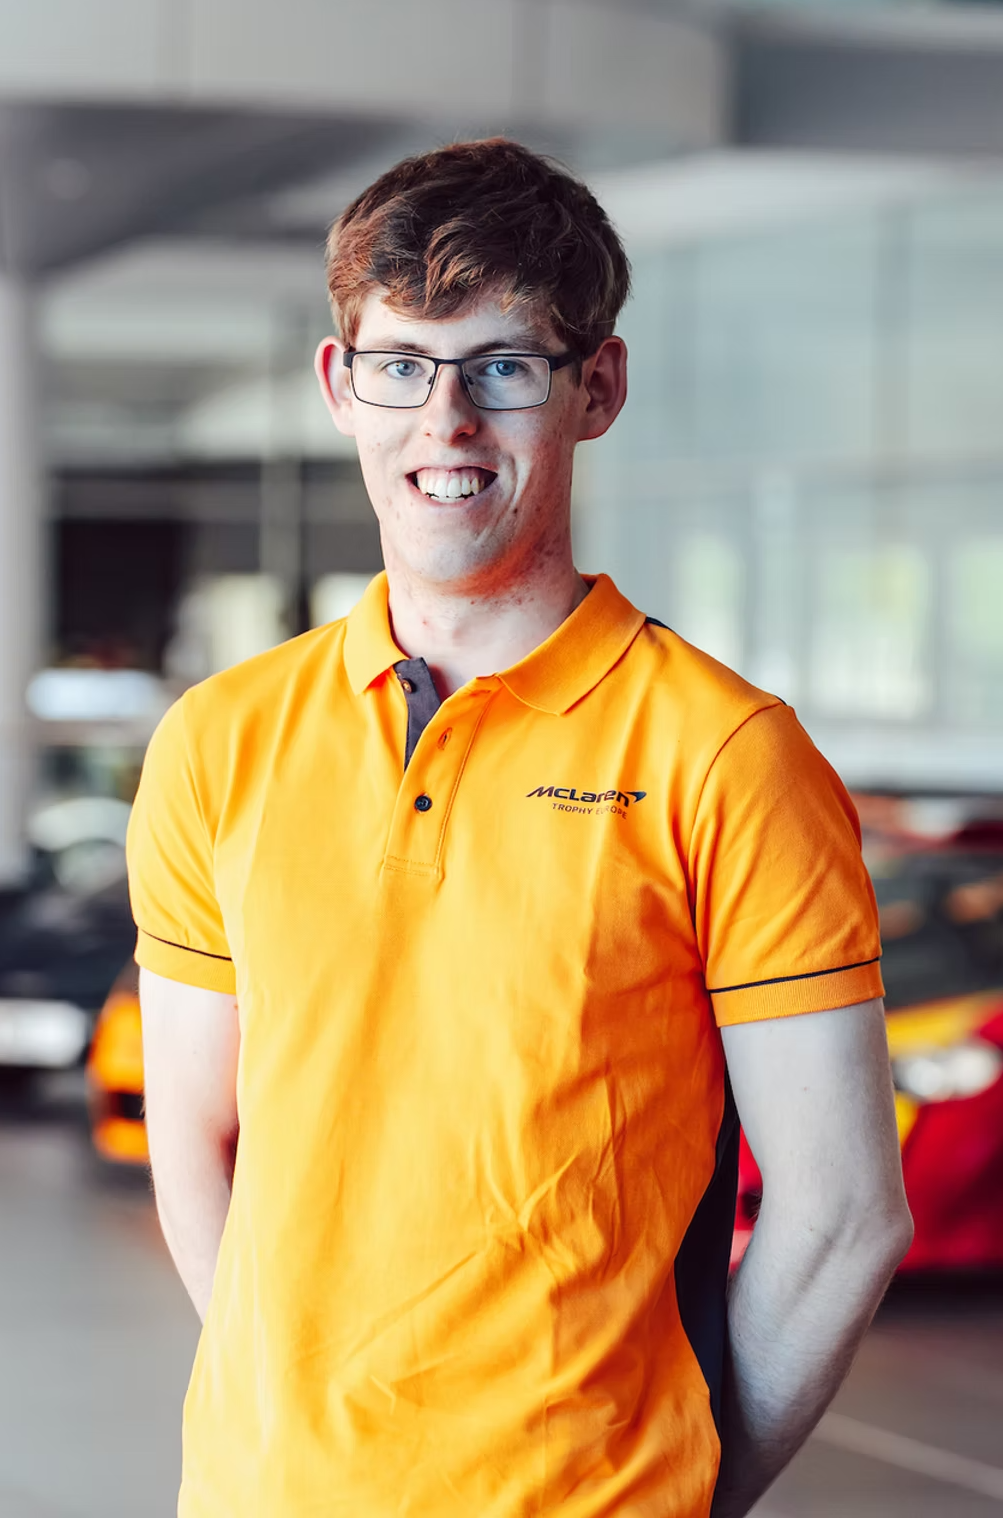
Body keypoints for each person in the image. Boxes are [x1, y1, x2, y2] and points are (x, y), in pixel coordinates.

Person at [129, 137, 912, 1518]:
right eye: (403, 366)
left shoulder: (724, 756)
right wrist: (290, 1432)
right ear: (340, 385)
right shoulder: (219, 740)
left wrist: (690, 1493)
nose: (448, 424)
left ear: (593, 388)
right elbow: (200, 1141)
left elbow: (844, 1215)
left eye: (502, 367)